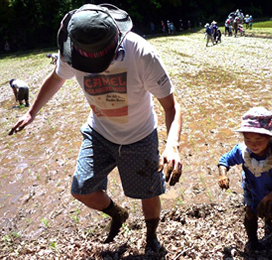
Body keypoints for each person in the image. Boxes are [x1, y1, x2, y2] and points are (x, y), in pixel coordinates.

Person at [9, 3, 183, 255]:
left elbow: (173, 106)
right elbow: (56, 77)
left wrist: (172, 145)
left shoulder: (141, 53)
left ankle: (151, 236)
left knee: (149, 192)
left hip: (140, 135)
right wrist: (31, 112)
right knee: (82, 189)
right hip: (99, 133)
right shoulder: (74, 52)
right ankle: (117, 213)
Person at [217, 107, 272, 252]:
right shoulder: (242, 151)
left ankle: (269, 222)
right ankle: (253, 241)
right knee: (250, 213)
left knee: (268, 210)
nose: (253, 144)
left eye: (259, 139)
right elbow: (224, 160)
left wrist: (268, 198)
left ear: (269, 137)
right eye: (248, 139)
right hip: (251, 187)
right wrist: (223, 174)